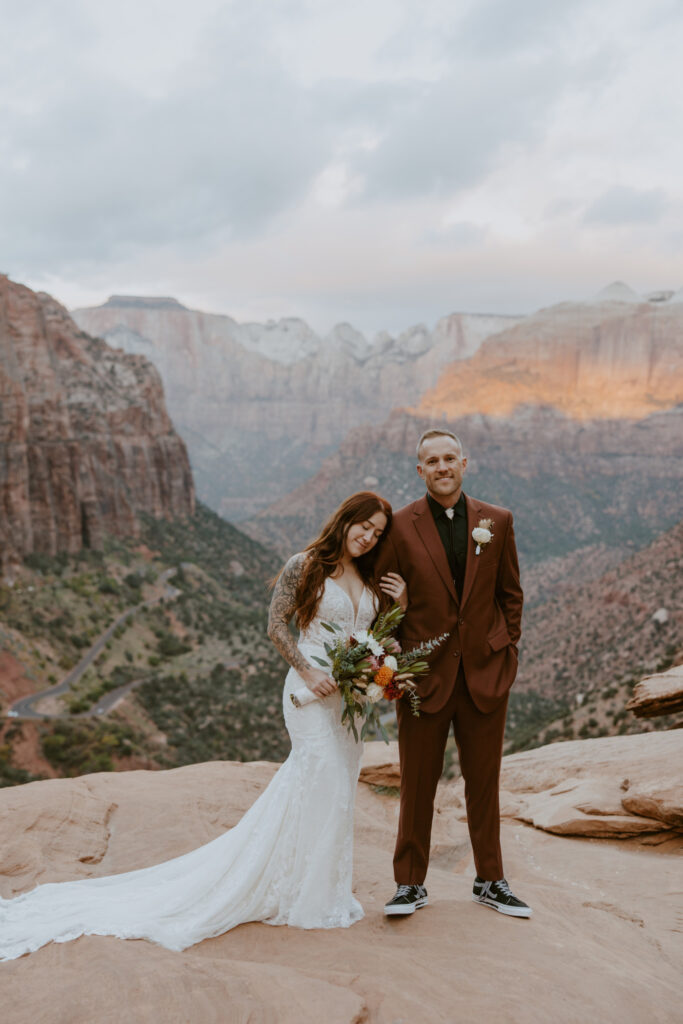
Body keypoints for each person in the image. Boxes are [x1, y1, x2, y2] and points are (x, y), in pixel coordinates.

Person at [0, 491, 407, 961]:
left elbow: (377, 641)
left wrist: (401, 607)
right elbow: (276, 625)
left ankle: (316, 889)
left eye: (377, 532)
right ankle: (299, 894)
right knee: (319, 776)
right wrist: (309, 670)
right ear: (346, 519)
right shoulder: (307, 563)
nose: (368, 536)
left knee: (334, 788)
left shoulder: (372, 576)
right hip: (308, 691)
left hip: (348, 702)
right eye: (364, 526)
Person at [377, 430, 532, 919]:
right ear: (419, 470)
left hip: (486, 675)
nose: (442, 467)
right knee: (417, 784)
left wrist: (504, 646)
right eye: (431, 461)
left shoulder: (498, 521)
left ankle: (490, 879)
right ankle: (408, 884)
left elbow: (511, 593)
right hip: (422, 678)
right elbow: (385, 605)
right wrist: (397, 657)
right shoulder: (399, 526)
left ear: (464, 463)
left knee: (484, 782)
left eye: (449, 458)